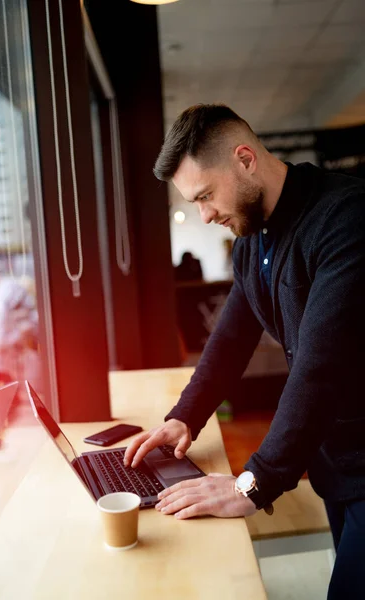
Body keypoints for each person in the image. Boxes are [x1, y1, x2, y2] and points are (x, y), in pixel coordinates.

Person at [124, 104, 365, 599]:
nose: (205, 214)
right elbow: (231, 339)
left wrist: (251, 484)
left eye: (207, 195)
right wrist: (184, 417)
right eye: (195, 202)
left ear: (245, 159)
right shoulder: (253, 242)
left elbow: (319, 368)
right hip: (336, 465)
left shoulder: (347, 218)